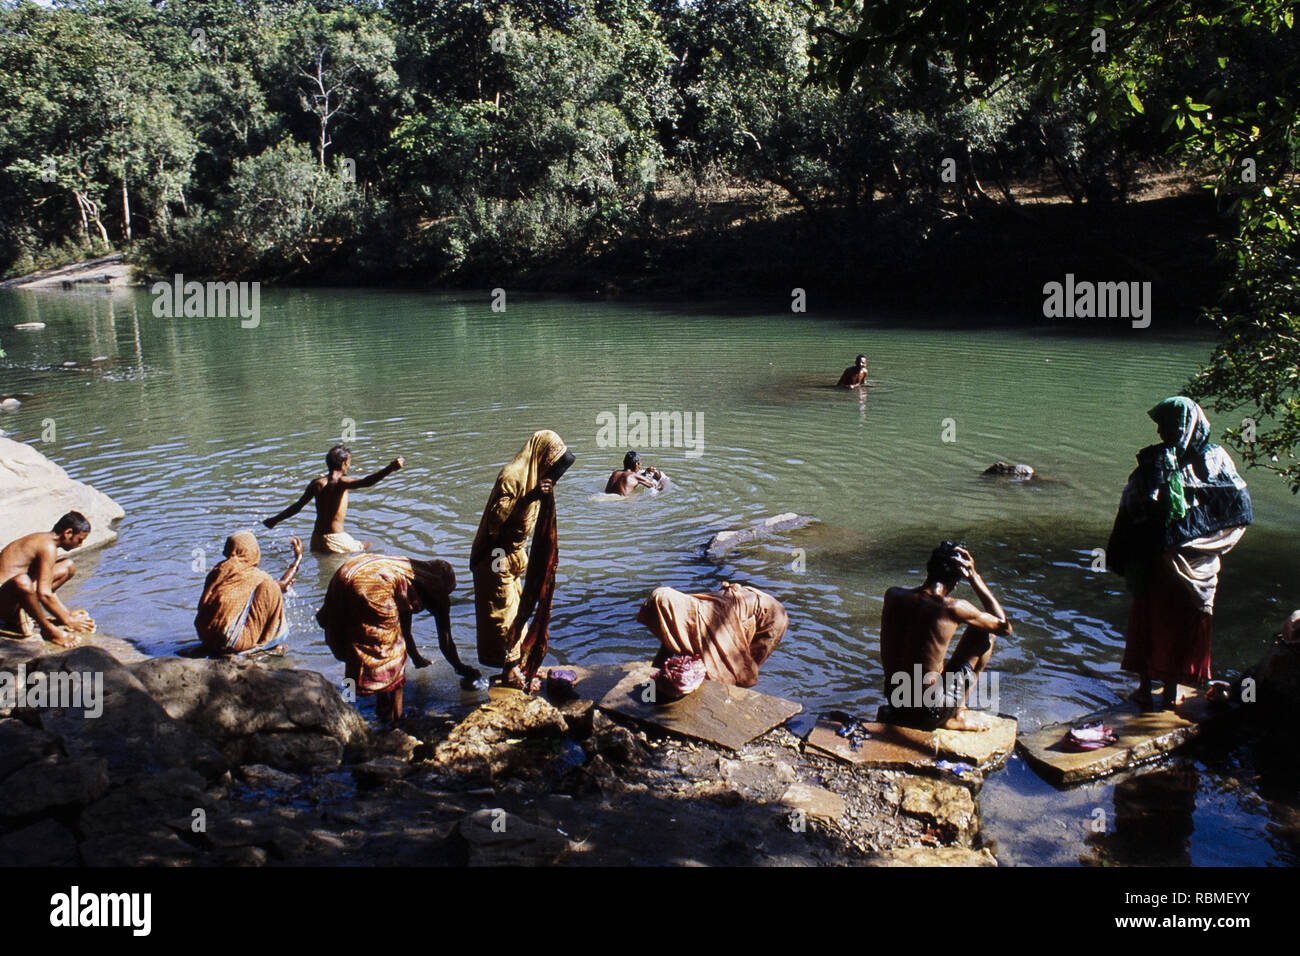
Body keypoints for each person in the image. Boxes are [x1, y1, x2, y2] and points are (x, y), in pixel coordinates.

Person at [1106, 397, 1252, 710]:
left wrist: (1144, 544)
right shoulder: (1211, 460)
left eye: (1166, 425)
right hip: (1179, 563)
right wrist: (1190, 541)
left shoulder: (1160, 462)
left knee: (1158, 620)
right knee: (1171, 621)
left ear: (1183, 427)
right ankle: (1165, 690)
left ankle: (1152, 689)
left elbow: (1131, 508)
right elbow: (1235, 509)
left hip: (1160, 559)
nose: (1159, 432)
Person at [316, 554, 479, 723]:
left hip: (347, 571)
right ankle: (396, 721)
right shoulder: (436, 591)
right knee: (394, 654)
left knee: (355, 644)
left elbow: (405, 629)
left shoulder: (411, 575)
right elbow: (445, 643)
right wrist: (463, 669)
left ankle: (357, 702)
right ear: (442, 586)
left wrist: (416, 657)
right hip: (371, 583)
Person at [470, 430, 575, 690]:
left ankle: (520, 664)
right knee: (504, 616)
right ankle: (510, 672)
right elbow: (497, 521)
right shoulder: (512, 477)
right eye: (553, 465)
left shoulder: (536, 476)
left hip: (515, 556)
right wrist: (530, 496)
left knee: (520, 612)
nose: (553, 472)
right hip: (495, 556)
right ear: (542, 455)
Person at [879, 541, 1012, 731]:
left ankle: (943, 710)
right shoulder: (952, 607)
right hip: (928, 714)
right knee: (986, 633)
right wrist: (974, 577)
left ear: (928, 569)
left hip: (896, 705)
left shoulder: (892, 595)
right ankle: (957, 714)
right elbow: (1004, 626)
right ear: (957, 581)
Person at [636, 581, 789, 688]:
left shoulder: (704, 619)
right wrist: (654, 674)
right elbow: (668, 644)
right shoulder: (682, 613)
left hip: (771, 617)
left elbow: (722, 671)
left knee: (737, 669)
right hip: (746, 607)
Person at [263, 444, 403, 554]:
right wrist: (390, 468)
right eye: (349, 462)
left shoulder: (317, 483)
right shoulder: (341, 482)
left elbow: (297, 507)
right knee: (371, 545)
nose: (349, 465)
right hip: (336, 539)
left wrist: (274, 520)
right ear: (343, 464)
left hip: (316, 540)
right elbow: (367, 481)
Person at [194, 532, 302, 656]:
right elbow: (283, 585)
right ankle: (265, 645)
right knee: (271, 587)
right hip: (229, 642)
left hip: (204, 635)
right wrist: (297, 559)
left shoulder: (219, 570)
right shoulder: (257, 576)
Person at [0, 511, 96, 647]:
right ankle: (47, 629)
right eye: (79, 539)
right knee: (22, 581)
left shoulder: (47, 542)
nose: (80, 544)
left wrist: (64, 614)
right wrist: (68, 620)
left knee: (67, 566)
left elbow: (45, 585)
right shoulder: (47, 546)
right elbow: (44, 593)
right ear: (68, 533)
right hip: (4, 602)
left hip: (13, 596)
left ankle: (23, 613)